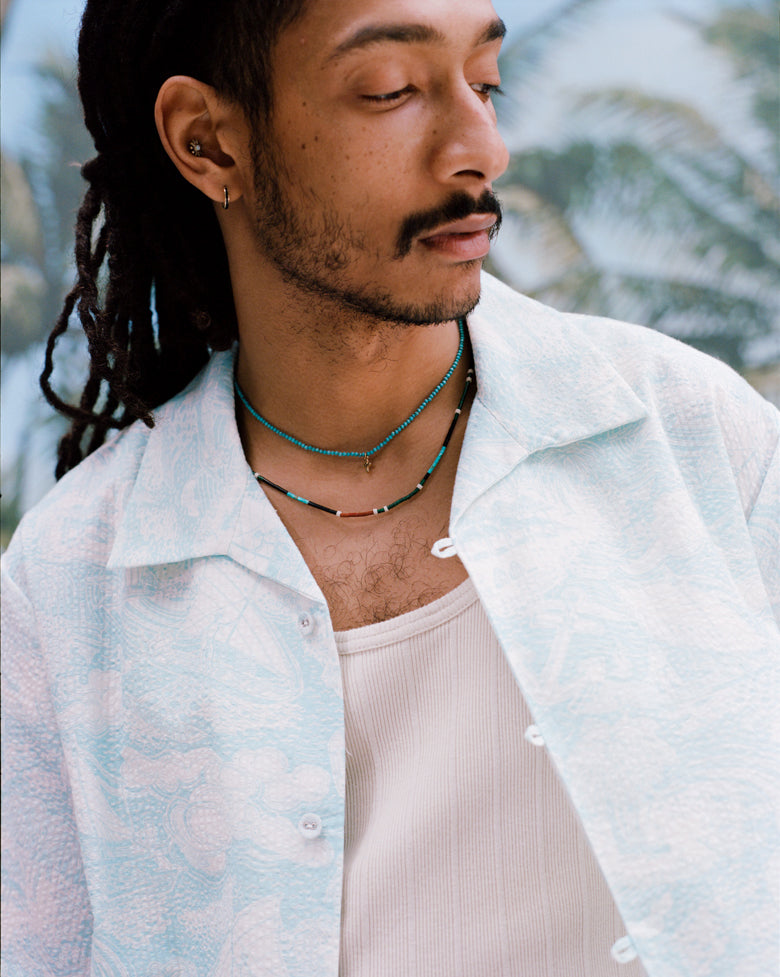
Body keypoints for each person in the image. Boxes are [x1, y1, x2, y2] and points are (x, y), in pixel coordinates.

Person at [1, 0, 777, 974]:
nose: (481, 146)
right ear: (209, 143)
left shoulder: (693, 438)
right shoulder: (73, 582)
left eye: (486, 82)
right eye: (393, 91)